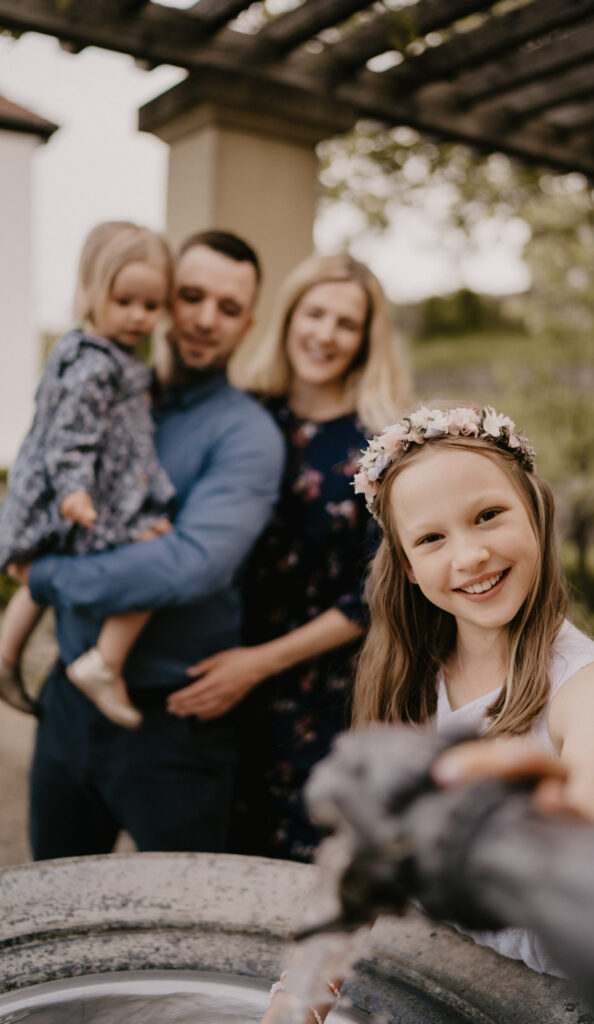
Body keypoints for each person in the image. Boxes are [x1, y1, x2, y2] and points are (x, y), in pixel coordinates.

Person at [263, 400, 594, 1024]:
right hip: (443, 976)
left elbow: (584, 843)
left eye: (489, 516)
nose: (469, 557)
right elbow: (352, 866)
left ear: (537, 515)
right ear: (409, 568)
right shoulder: (408, 679)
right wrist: (297, 998)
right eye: (432, 538)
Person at [13, 229, 285, 859]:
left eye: (227, 308)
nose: (203, 319)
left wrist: (44, 578)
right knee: (54, 906)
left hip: (174, 729)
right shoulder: (99, 388)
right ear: (163, 296)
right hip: (66, 707)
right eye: (190, 296)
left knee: (185, 931)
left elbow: (187, 566)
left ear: (248, 323)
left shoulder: (247, 434)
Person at [167, 253, 413, 862]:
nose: (326, 334)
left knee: (297, 876)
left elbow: (374, 593)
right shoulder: (240, 417)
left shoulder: (383, 447)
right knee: (209, 864)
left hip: (318, 692)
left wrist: (257, 664)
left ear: (364, 341)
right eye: (315, 313)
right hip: (214, 672)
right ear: (288, 317)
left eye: (346, 323)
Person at [0, 221, 175, 729]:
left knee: (41, 572)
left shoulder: (94, 351)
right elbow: (71, 436)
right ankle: (105, 662)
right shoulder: (96, 366)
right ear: (91, 291)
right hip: (76, 495)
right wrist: (75, 490)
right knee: (154, 549)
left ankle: (7, 655)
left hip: (59, 493)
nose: (139, 317)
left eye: (151, 305)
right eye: (124, 301)